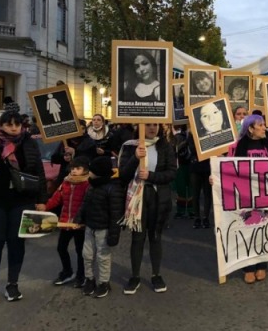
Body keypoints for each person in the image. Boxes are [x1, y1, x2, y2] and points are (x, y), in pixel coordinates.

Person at [0, 110, 48, 306]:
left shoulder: (28, 143)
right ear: (0, 125)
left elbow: (38, 171)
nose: (14, 128)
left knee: (16, 243)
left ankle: (12, 284)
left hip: (21, 201)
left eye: (17, 124)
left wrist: (41, 200)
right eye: (9, 124)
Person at [228, 114, 268, 283]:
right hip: (246, 195)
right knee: (247, 230)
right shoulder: (239, 146)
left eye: (264, 125)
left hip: (265, 195)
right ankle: (247, 267)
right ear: (250, 128)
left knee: (264, 230)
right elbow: (230, 168)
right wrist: (216, 178)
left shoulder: (267, 144)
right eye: (260, 125)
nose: (264, 128)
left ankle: (262, 264)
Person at [120, 123, 177, 295]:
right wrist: (135, 158)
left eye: (155, 125)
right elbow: (123, 174)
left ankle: (156, 275)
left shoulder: (165, 146)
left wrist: (151, 176)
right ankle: (135, 276)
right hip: (138, 196)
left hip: (158, 196)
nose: (152, 128)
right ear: (140, 127)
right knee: (138, 237)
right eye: (148, 125)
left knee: (155, 236)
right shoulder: (131, 146)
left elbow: (172, 173)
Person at [74, 156, 124, 298]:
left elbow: (116, 215)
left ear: (99, 172)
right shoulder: (92, 186)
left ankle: (104, 282)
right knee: (87, 255)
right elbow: (85, 204)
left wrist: (114, 235)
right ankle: (89, 279)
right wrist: (79, 217)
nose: (89, 173)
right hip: (90, 227)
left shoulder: (113, 189)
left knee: (103, 257)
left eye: (91, 171)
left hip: (104, 229)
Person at [38, 156, 90, 288]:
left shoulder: (87, 184)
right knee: (61, 248)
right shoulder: (66, 182)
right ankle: (67, 272)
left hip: (80, 225)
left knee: (80, 251)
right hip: (65, 222)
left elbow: (88, 204)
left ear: (85, 170)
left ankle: (81, 275)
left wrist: (83, 220)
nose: (74, 171)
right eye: (72, 168)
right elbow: (56, 198)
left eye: (78, 168)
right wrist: (46, 206)